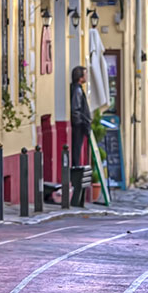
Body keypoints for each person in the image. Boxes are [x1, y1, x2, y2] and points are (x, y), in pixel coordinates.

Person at [67, 66, 92, 204]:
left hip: (80, 125)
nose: (86, 77)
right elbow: (76, 109)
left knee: (77, 151)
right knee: (76, 151)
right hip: (79, 127)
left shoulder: (78, 89)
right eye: (85, 74)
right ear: (80, 77)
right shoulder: (77, 90)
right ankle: (75, 183)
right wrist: (80, 123)